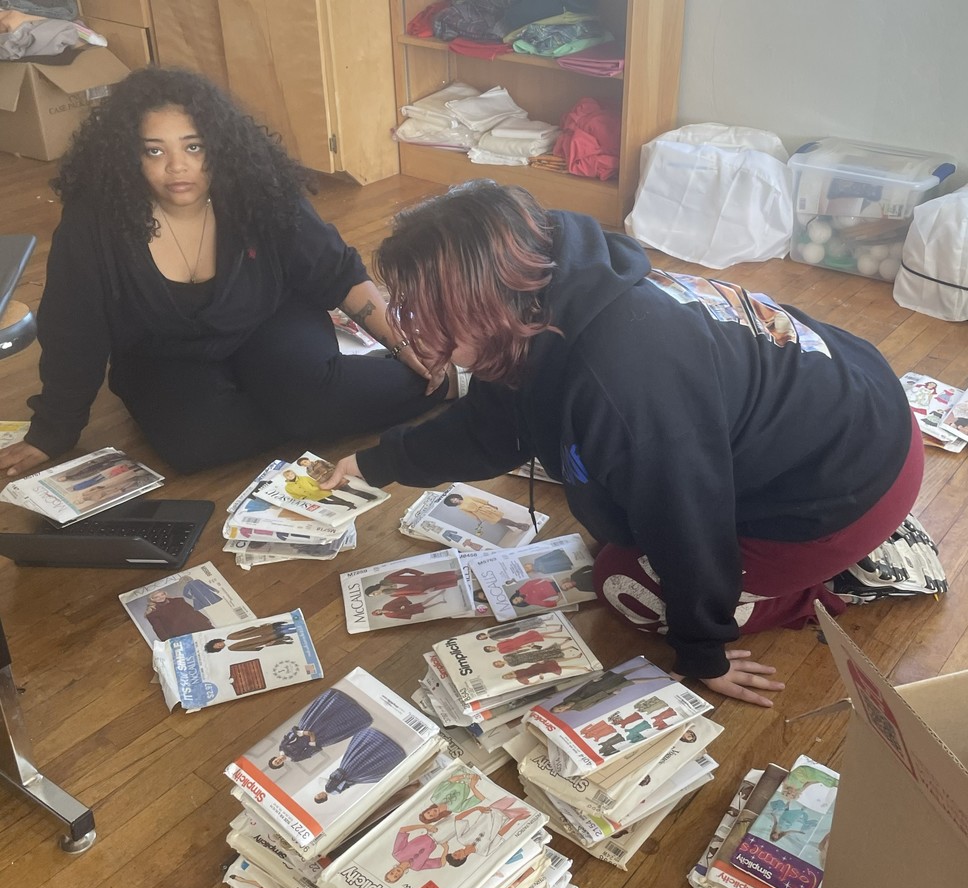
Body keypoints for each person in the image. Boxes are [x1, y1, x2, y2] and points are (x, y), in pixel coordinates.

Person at [316, 181, 923, 707]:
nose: (420, 339)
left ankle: (824, 582)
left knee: (622, 584)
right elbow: (494, 426)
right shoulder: (546, 294)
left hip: (850, 485)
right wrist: (378, 461)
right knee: (619, 517)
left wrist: (703, 649)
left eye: (433, 321)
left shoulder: (623, 379)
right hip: (851, 399)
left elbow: (687, 515)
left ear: (484, 306)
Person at [0, 66, 456, 479]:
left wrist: (401, 342)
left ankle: (447, 382)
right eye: (154, 151)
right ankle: (305, 402)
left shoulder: (258, 189)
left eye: (193, 146)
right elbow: (73, 330)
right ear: (128, 156)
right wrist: (53, 430)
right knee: (197, 445)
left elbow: (335, 270)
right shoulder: (94, 223)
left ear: (218, 146)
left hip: (269, 318)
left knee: (308, 402)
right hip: (160, 349)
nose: (177, 166)